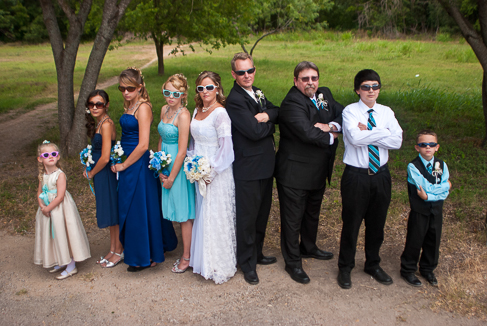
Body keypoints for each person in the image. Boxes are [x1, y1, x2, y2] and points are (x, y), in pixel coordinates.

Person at [275, 61, 344, 284]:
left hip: (318, 169)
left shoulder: (324, 94)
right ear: (296, 81)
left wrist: (332, 125)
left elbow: (345, 114)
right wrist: (332, 136)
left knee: (312, 213)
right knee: (292, 219)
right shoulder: (291, 103)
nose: (310, 82)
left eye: (313, 78)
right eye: (305, 79)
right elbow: (307, 133)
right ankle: (293, 262)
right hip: (294, 171)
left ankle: (309, 247)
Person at [337, 69, 403, 289]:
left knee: (377, 224)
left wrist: (372, 130)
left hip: (381, 175)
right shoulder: (350, 111)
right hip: (356, 176)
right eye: (366, 86)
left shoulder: (386, 111)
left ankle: (372, 264)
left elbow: (397, 142)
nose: (371, 91)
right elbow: (355, 139)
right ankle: (345, 267)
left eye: (375, 86)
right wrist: (384, 132)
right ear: (358, 89)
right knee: (352, 223)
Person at [111, 67, 177, 272]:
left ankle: (147, 255)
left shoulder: (143, 108)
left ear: (140, 87)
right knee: (131, 208)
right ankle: (140, 251)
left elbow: (143, 144)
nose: (125, 92)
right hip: (127, 159)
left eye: (130, 88)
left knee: (138, 209)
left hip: (137, 163)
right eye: (122, 88)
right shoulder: (129, 105)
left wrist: (124, 164)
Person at [226, 52, 279, 285]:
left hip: (266, 166)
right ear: (233, 74)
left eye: (250, 70)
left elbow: (277, 110)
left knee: (261, 213)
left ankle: (257, 253)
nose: (247, 75)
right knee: (247, 217)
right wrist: (271, 126)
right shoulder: (235, 100)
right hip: (248, 168)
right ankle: (247, 263)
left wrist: (266, 115)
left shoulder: (257, 91)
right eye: (241, 72)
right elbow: (254, 132)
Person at [189, 71, 237, 284]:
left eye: (209, 87)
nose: (205, 91)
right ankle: (203, 261)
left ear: (217, 88)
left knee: (215, 216)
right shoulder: (197, 110)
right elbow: (193, 143)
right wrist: (192, 165)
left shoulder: (220, 114)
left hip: (217, 171)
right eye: (201, 88)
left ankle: (218, 264)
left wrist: (212, 172)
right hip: (199, 170)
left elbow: (227, 149)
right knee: (203, 214)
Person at [400, 130, 451, 287]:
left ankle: (427, 268)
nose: (427, 147)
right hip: (419, 211)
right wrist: (441, 188)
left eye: (431, 144)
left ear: (437, 147)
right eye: (423, 145)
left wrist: (429, 196)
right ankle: (408, 269)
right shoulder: (413, 166)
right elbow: (425, 186)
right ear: (417, 148)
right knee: (415, 239)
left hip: (436, 210)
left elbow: (445, 189)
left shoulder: (441, 165)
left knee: (433, 240)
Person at [34, 141, 91, 279]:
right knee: (53, 235)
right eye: (46, 155)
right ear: (40, 159)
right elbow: (39, 192)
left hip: (60, 210)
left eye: (54, 154)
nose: (51, 157)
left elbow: (60, 197)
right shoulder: (43, 175)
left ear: (58, 156)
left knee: (64, 233)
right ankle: (61, 259)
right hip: (47, 209)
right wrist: (42, 207)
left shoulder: (60, 175)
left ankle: (71, 265)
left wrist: (48, 207)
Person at [157, 74, 195, 273]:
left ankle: (187, 256)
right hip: (165, 162)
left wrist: (171, 176)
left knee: (183, 214)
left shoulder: (183, 115)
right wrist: (159, 165)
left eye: (175, 93)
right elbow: (161, 138)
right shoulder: (164, 109)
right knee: (175, 212)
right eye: (167, 92)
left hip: (178, 168)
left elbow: (182, 150)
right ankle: (185, 252)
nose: (171, 97)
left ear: (183, 94)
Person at [84, 89, 123, 268]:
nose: (94, 107)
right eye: (91, 104)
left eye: (99, 104)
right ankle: (112, 249)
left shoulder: (106, 124)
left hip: (106, 172)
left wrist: (92, 173)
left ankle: (119, 251)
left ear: (106, 105)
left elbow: (106, 157)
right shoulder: (99, 123)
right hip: (100, 172)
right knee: (108, 212)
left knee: (112, 213)